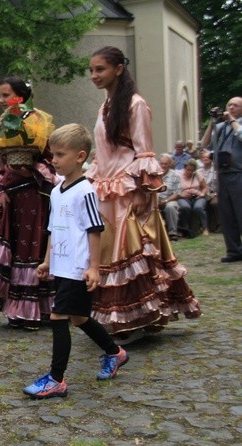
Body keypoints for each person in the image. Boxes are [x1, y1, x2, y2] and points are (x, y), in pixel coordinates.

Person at [85, 46, 200, 340]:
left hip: (129, 189)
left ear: (118, 69)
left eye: (100, 69)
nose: (94, 75)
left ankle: (139, 316)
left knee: (133, 254)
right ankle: (120, 316)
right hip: (107, 190)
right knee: (109, 254)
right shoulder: (105, 107)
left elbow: (143, 152)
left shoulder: (135, 104)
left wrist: (140, 192)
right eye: (92, 70)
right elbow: (103, 153)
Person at [23, 124, 128, 399]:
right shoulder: (57, 192)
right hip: (61, 265)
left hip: (78, 267)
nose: (54, 160)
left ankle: (56, 379)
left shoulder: (86, 191)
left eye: (59, 155)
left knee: (58, 316)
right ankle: (115, 352)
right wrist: (47, 261)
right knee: (80, 318)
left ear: (80, 156)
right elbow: (53, 229)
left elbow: (95, 229)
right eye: (52, 155)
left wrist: (94, 267)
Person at [0, 76, 57, 329]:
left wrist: (29, 170)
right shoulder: (5, 123)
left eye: (5, 95)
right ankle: (18, 309)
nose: (0, 101)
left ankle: (39, 309)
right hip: (12, 197)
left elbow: (50, 160)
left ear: (20, 96)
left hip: (34, 195)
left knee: (31, 249)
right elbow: (4, 165)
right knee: (15, 249)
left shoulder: (37, 121)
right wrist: (0, 190)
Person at [200, 96, 242, 263]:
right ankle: (234, 250)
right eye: (229, 105)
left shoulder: (237, 124)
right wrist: (212, 122)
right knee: (227, 214)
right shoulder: (220, 127)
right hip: (222, 174)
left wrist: (232, 120)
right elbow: (204, 144)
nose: (231, 108)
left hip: (239, 172)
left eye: (235, 105)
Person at [177, 159, 208, 237]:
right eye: (188, 170)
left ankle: (205, 228)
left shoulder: (198, 175)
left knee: (198, 207)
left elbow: (205, 187)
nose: (190, 172)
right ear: (185, 168)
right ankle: (185, 227)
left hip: (197, 196)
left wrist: (202, 194)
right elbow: (176, 189)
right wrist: (181, 195)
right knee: (185, 207)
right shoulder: (179, 176)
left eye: (192, 170)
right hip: (183, 196)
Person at [157, 154, 182, 241]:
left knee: (170, 207)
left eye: (166, 164)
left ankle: (172, 233)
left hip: (169, 199)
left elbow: (177, 193)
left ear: (170, 164)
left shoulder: (175, 175)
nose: (163, 166)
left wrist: (165, 201)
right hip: (155, 199)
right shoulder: (154, 174)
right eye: (161, 163)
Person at [197, 150, 218, 232]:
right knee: (200, 204)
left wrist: (215, 194)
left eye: (207, 157)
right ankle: (204, 226)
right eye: (204, 157)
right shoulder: (199, 171)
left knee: (215, 203)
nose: (206, 159)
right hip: (204, 193)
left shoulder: (216, 169)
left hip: (216, 193)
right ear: (201, 159)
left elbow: (220, 184)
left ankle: (219, 225)